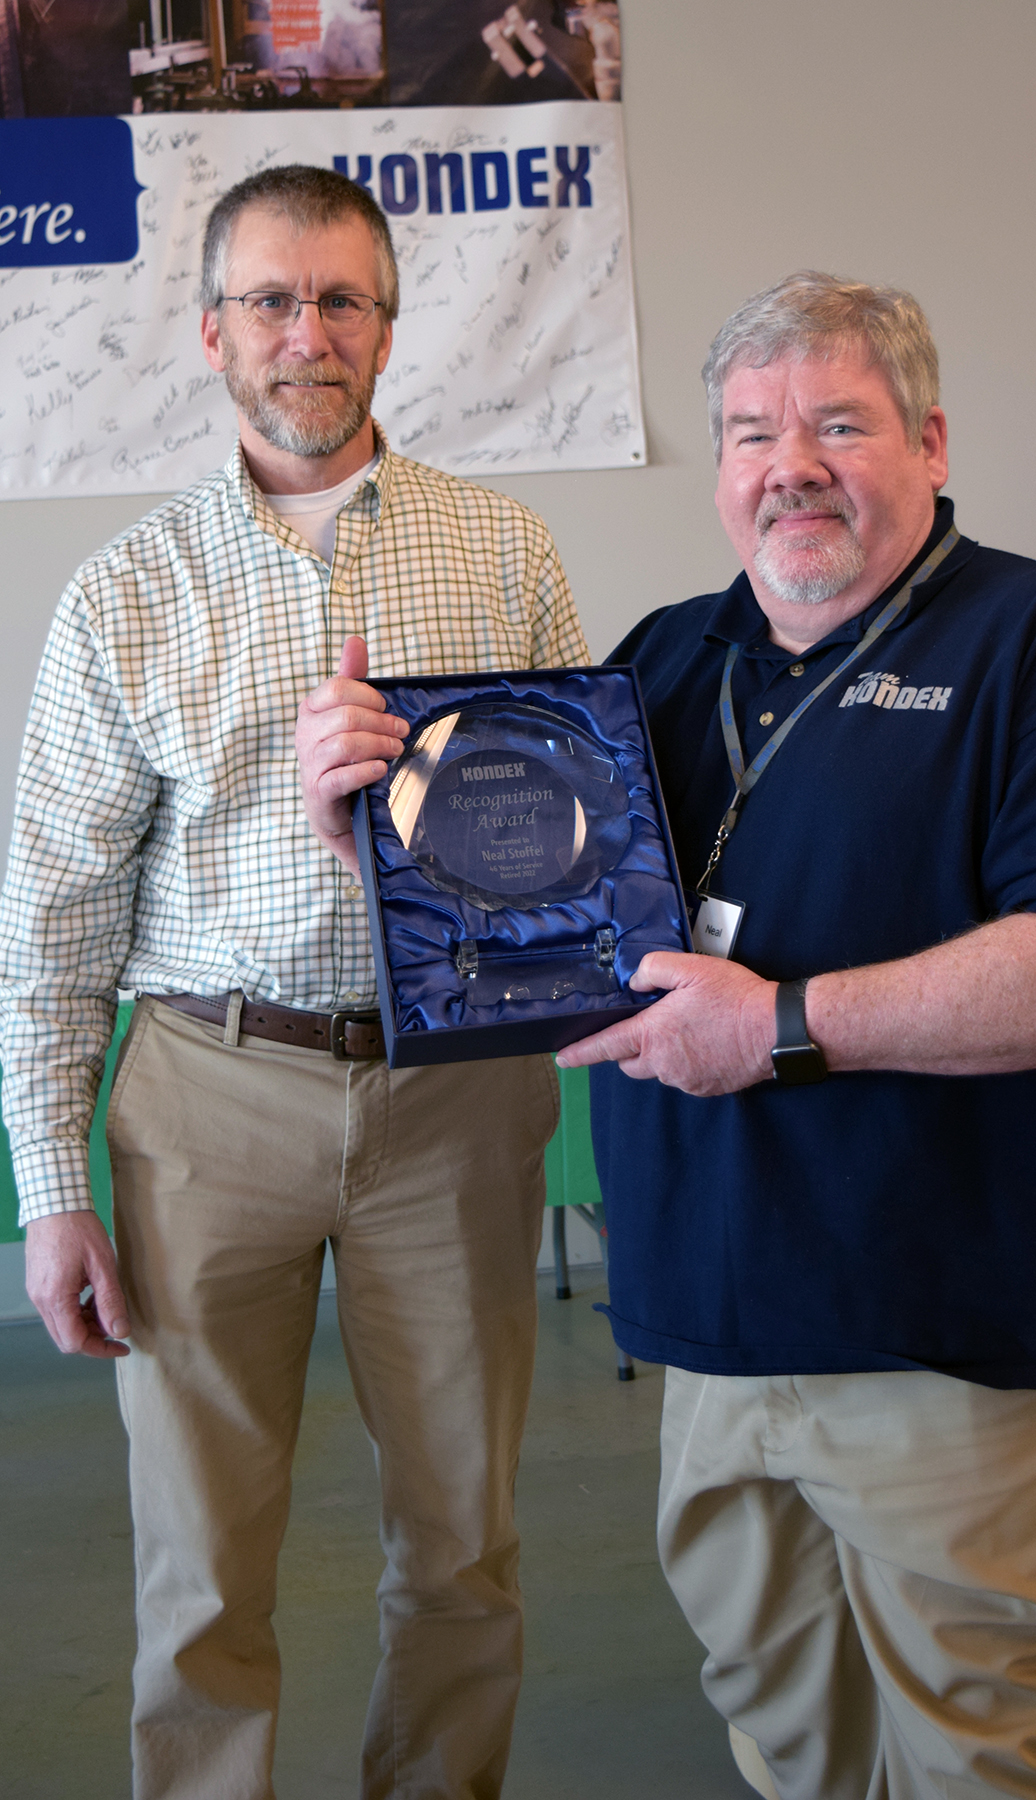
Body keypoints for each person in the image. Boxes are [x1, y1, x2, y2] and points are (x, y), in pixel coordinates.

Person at [554, 274, 1036, 1799]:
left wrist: (780, 1025)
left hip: (961, 1351)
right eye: (752, 431)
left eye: (840, 422)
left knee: (992, 1760)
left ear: (929, 440)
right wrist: (378, 846)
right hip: (715, 1337)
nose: (792, 463)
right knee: (790, 1744)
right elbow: (550, 935)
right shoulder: (662, 661)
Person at [0, 163, 587, 1800]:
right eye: (271, 299)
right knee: (199, 1574)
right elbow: (48, 915)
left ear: (390, 330)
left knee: (463, 1545)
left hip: (453, 1098)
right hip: (207, 1098)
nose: (305, 334)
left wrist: (402, 845)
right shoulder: (127, 589)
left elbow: (569, 842)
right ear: (210, 333)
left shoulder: (505, 550)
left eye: (341, 300)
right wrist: (56, 1192)